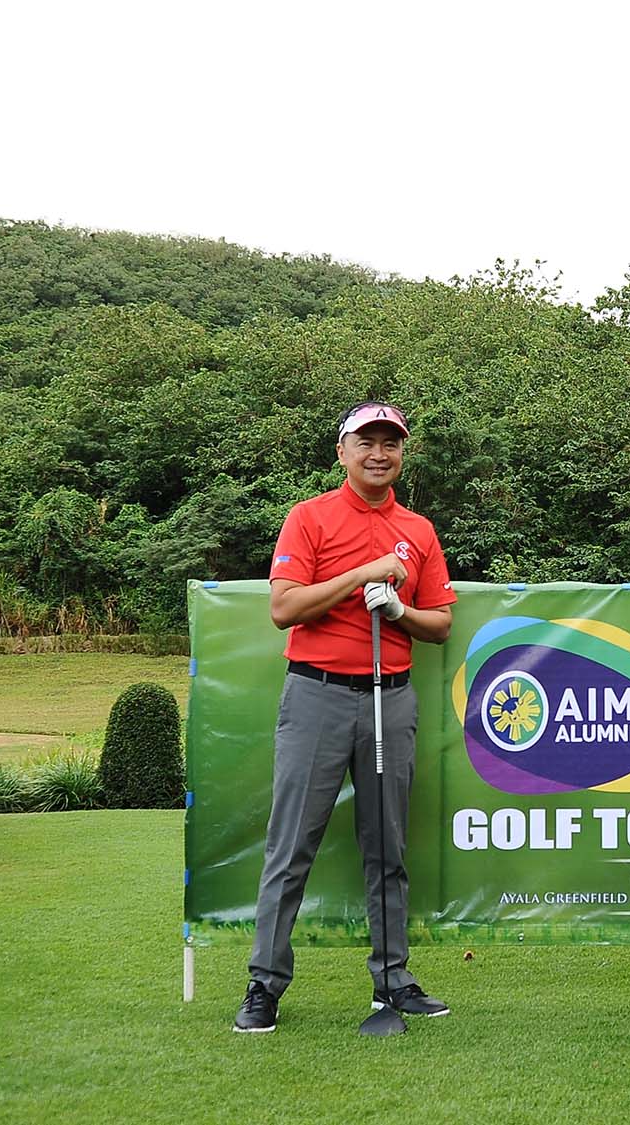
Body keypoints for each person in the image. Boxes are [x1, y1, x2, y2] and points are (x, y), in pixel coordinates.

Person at [234, 402, 459, 1033]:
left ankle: (393, 981)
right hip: (318, 696)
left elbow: (440, 622)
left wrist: (399, 613)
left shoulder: (419, 530)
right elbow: (285, 607)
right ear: (343, 451)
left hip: (392, 695)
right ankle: (264, 985)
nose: (379, 453)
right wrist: (362, 573)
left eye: (391, 443)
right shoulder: (308, 519)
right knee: (292, 845)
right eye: (367, 442)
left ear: (402, 454)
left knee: (386, 847)